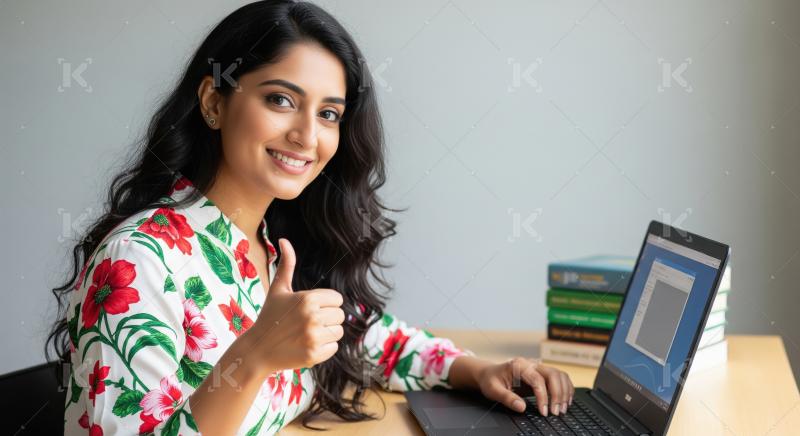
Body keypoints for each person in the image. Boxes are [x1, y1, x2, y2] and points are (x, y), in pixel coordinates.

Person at [47, 1, 575, 434]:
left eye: (328, 114)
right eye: (281, 99)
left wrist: (479, 370)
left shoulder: (275, 242)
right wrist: (252, 356)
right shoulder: (138, 260)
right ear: (213, 102)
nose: (308, 135)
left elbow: (363, 340)